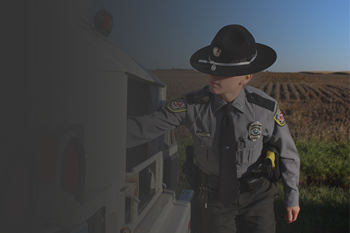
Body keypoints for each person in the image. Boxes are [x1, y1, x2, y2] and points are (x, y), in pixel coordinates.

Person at [127, 24, 300, 233]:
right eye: (212, 69)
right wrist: (102, 136)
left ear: (246, 77)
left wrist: (292, 197)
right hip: (215, 197)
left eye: (224, 72)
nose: (213, 76)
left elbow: (288, 152)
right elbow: (146, 126)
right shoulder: (193, 105)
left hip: (257, 196)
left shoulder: (264, 109)